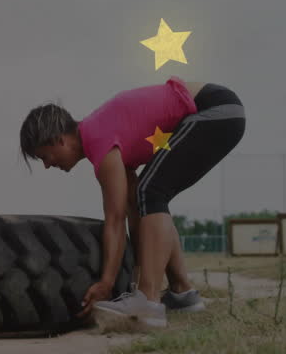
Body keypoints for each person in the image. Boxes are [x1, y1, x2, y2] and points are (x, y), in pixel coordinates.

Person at [18, 76, 245, 329]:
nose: (48, 165)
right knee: (147, 195)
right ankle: (182, 294)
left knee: (152, 191)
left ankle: (148, 302)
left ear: (58, 139)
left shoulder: (98, 139)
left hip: (214, 110)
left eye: (45, 157)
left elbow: (115, 221)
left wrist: (106, 283)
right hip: (220, 112)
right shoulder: (104, 143)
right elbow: (135, 213)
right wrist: (135, 275)